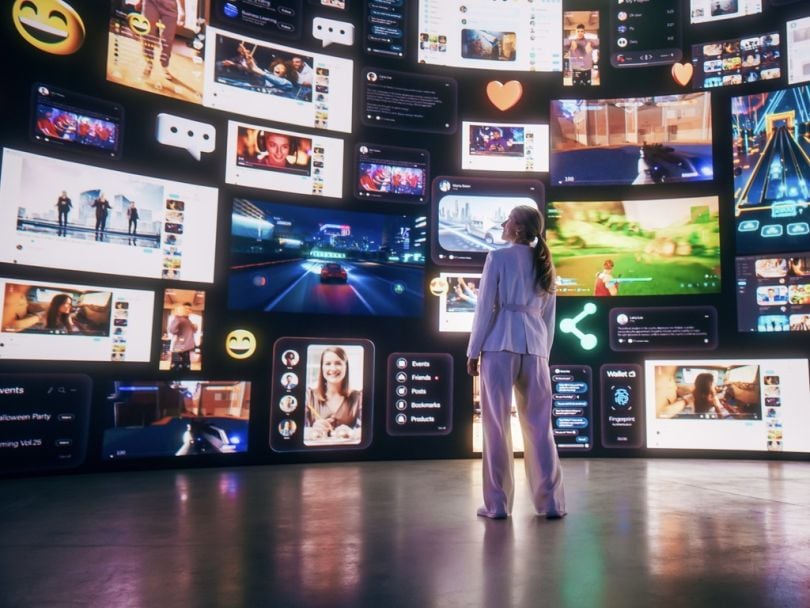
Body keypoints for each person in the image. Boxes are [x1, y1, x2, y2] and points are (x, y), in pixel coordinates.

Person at [466, 204, 565, 520]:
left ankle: (497, 505)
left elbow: (484, 310)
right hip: (535, 349)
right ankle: (550, 503)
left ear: (518, 228)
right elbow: (548, 319)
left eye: (508, 219)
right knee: (539, 428)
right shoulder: (547, 264)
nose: (503, 224)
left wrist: (472, 351)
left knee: (496, 427)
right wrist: (544, 355)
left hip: (498, 346)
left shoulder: (498, 257)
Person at [305, 346, 362, 437]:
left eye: (338, 363)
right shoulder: (309, 395)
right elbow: (295, 428)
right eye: (328, 363)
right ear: (322, 367)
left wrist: (352, 433)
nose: (333, 368)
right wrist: (312, 430)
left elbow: (368, 430)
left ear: (346, 367)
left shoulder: (359, 397)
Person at [141, 0, 187, 81]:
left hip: (170, 7)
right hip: (151, 2)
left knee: (167, 38)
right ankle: (149, 63)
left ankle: (164, 65)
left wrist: (182, 10)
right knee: (147, 33)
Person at [168, 302, 197, 371]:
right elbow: (172, 330)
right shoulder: (178, 318)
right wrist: (177, 317)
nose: (188, 310)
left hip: (186, 349)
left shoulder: (188, 321)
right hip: (178, 349)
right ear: (182, 309)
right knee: (175, 368)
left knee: (186, 368)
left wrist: (194, 327)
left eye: (189, 309)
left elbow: (189, 333)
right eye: (186, 309)